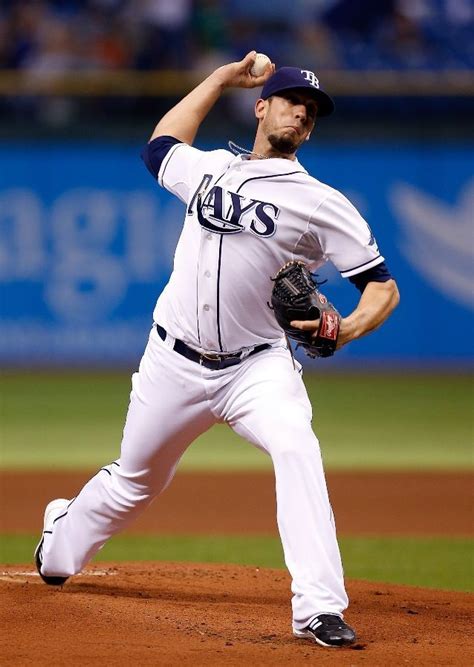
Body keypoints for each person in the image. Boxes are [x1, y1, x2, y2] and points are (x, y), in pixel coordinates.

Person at [34, 52, 399, 649]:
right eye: (291, 102)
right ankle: (60, 538)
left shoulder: (322, 202)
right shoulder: (210, 170)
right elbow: (159, 147)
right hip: (172, 362)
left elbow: (382, 287)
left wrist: (349, 329)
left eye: (311, 111)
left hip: (257, 368)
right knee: (135, 482)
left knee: (296, 447)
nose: (301, 114)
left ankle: (317, 608)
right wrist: (221, 77)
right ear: (262, 108)